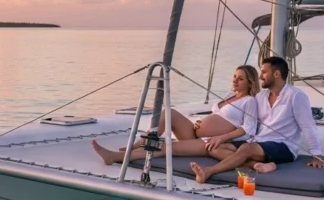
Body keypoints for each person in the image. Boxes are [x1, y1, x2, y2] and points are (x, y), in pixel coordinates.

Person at [191, 56, 324, 183]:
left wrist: (317, 155)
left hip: (283, 146)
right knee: (214, 147)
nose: (260, 76)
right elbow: (246, 121)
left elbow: (308, 126)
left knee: (246, 149)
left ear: (277, 74)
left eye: (264, 72)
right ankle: (260, 165)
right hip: (259, 141)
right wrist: (213, 129)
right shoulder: (260, 97)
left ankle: (209, 171)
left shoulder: (296, 96)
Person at [92, 65, 260, 165]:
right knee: (168, 113)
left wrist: (221, 138)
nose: (235, 81)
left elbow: (249, 128)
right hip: (195, 133)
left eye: (240, 79)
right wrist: (202, 122)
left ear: (250, 82)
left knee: (165, 147)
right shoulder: (229, 95)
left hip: (208, 142)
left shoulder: (249, 101)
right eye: (234, 76)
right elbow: (219, 116)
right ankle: (141, 141)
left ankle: (115, 157)